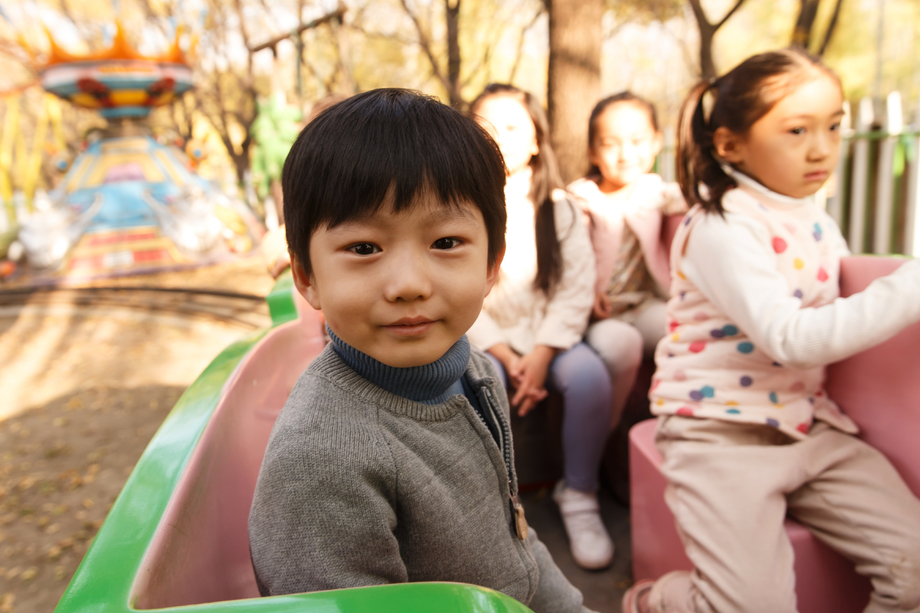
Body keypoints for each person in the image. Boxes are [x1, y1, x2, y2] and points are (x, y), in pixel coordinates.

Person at [248, 88, 595, 613]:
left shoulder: (474, 370)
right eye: (364, 248)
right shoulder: (322, 460)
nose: (408, 284)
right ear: (306, 276)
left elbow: (514, 537)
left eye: (445, 243)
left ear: (491, 265)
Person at [621, 49, 920, 613]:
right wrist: (908, 286)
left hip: (810, 426)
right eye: (797, 130)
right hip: (719, 433)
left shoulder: (814, 217)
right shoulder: (721, 223)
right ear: (729, 144)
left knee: (915, 570)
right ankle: (655, 601)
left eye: (834, 125)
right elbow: (789, 337)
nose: (822, 147)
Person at [468, 83, 615, 570]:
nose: (500, 137)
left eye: (513, 127)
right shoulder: (456, 205)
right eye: (487, 126)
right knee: (479, 380)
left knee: (590, 377)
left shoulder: (559, 206)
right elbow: (459, 292)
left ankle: (580, 495)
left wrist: (543, 355)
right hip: (489, 339)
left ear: (535, 140)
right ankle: (497, 508)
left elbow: (576, 287)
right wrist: (507, 355)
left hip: (551, 338)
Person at [568, 92, 686, 432]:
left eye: (637, 141)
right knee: (621, 345)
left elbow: (698, 196)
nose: (626, 154)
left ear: (656, 143)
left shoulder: (656, 192)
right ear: (592, 151)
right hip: (599, 313)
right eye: (610, 144)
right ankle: (608, 431)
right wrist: (585, 295)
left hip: (644, 304)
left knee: (679, 330)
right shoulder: (580, 199)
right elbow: (569, 257)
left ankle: (679, 422)